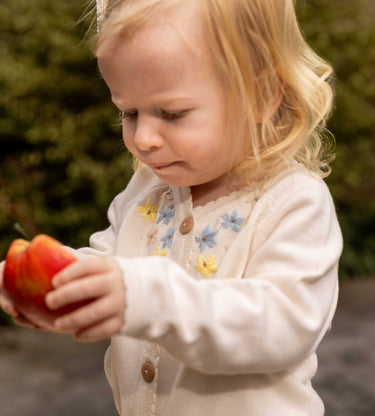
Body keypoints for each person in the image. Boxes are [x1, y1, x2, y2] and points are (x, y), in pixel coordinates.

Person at [0, 0, 343, 414]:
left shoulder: (293, 202)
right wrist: (56, 284)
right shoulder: (148, 188)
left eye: (172, 112)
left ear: (262, 96)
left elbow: (282, 327)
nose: (143, 137)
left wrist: (148, 296)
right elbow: (110, 264)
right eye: (128, 111)